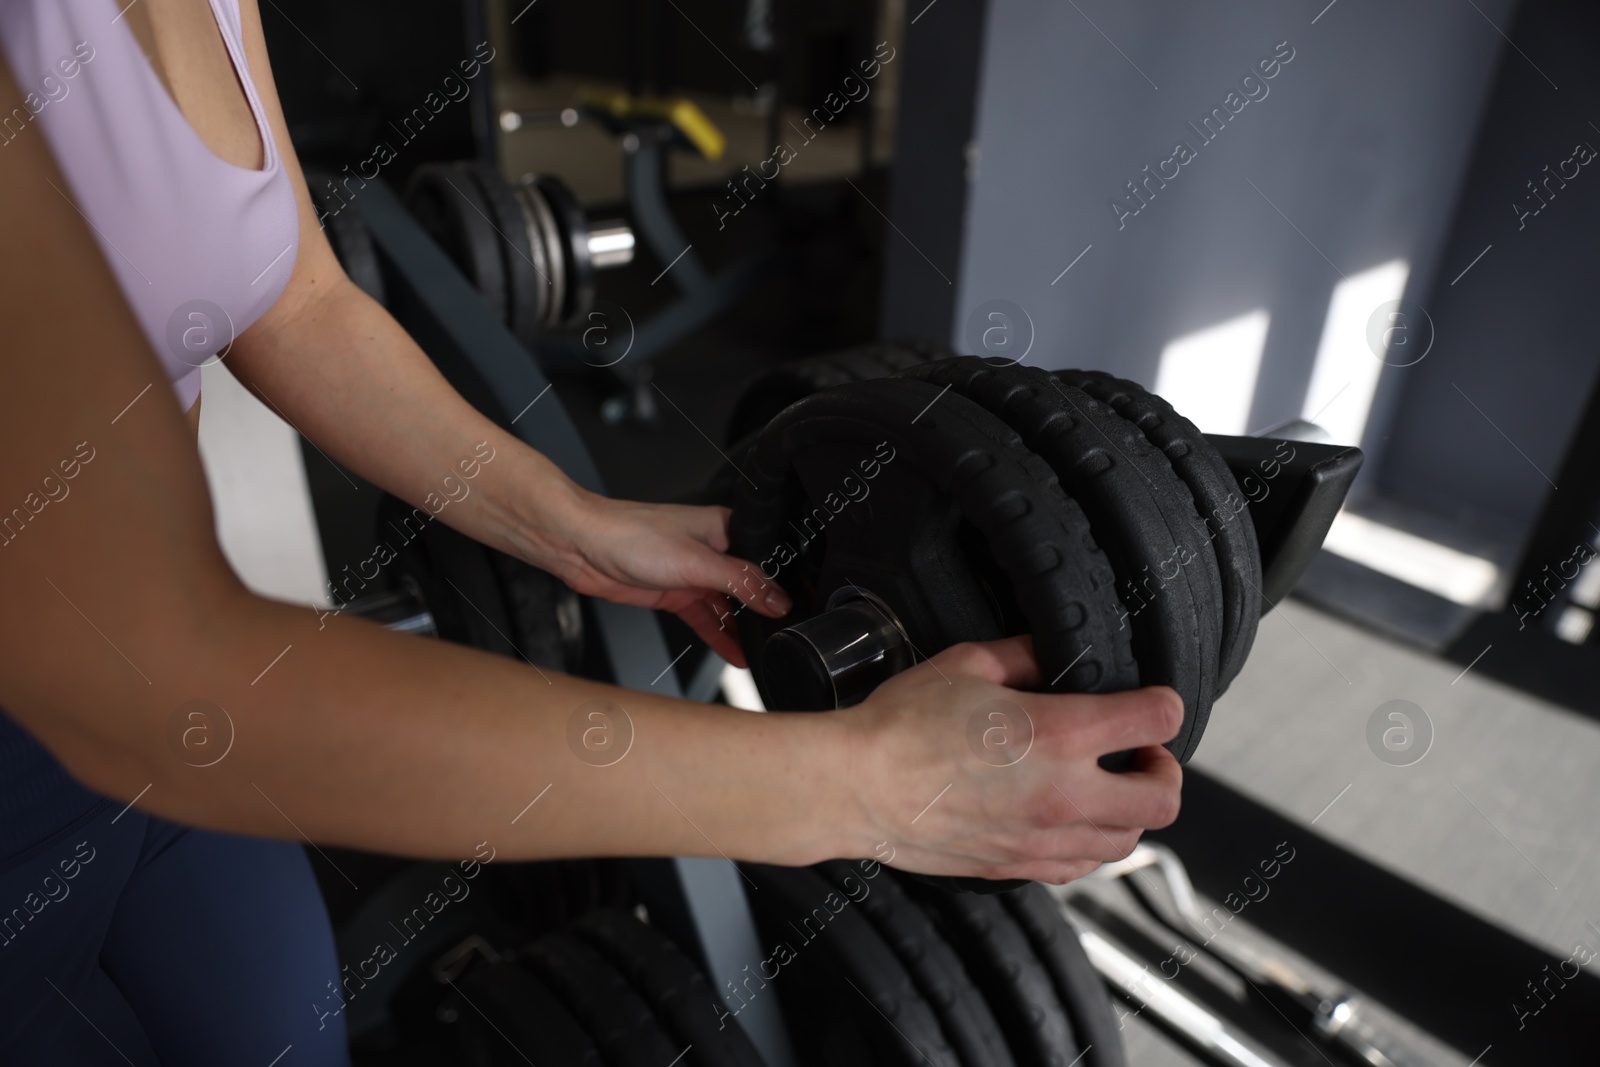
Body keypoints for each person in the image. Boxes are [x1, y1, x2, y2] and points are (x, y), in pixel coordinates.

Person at [0, 0, 1184, 1063]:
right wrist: (865, 786)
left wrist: (575, 527)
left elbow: (295, 300)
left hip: (161, 788)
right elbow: (161, 675)